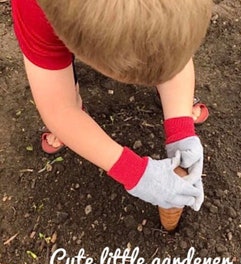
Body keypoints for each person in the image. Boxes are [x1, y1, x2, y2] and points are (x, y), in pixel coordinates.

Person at [11, 0, 212, 211]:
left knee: (163, 46)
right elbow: (58, 108)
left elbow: (172, 39)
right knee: (60, 94)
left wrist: (181, 129)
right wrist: (132, 171)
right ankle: (74, 108)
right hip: (49, 20)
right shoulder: (33, 8)